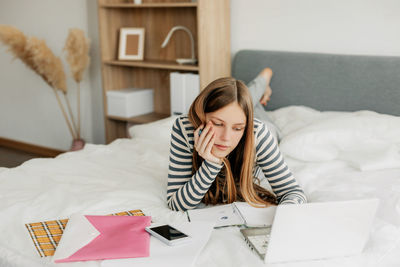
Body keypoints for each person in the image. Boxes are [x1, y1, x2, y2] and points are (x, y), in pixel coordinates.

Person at [167, 69, 306, 211]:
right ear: (202, 115)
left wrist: (283, 216)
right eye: (218, 123)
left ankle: (265, 76)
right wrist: (212, 163)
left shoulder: (259, 133)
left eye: (238, 128)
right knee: (243, 99)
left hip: (265, 124)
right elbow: (176, 204)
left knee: (248, 101)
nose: (226, 138)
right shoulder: (185, 128)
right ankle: (261, 84)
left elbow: (293, 193)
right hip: (241, 109)